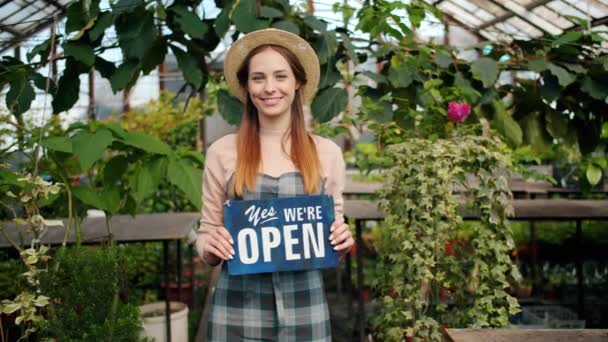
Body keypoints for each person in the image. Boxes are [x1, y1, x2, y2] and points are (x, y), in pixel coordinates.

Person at [196, 28, 354, 341]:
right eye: (258, 78)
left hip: (306, 313)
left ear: (297, 83)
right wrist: (210, 247)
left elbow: (333, 238)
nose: (270, 88)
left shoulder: (327, 153)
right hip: (237, 314)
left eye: (280, 76)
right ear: (246, 86)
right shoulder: (222, 152)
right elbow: (206, 233)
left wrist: (342, 240)